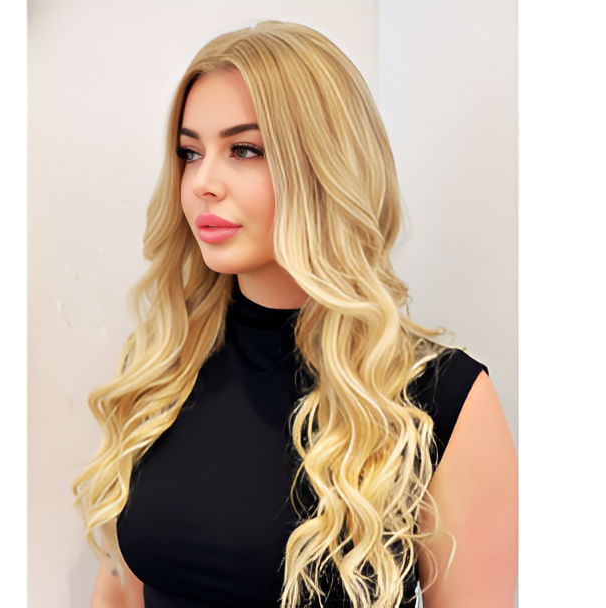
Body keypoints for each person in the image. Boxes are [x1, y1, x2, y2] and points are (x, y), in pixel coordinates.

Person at [73, 20, 517, 608]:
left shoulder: (438, 401)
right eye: (190, 152)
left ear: (325, 165)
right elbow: (122, 590)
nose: (202, 182)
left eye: (245, 150)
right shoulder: (165, 366)